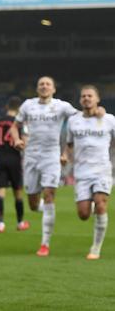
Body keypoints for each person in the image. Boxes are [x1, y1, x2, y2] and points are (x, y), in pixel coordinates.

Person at [9, 76, 79, 256]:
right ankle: (48, 210)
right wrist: (16, 139)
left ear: (54, 89)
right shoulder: (28, 105)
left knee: (49, 195)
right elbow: (14, 127)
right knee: (33, 204)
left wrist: (96, 112)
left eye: (48, 84)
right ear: (37, 88)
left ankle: (44, 244)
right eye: (41, 84)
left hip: (51, 157)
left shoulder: (62, 106)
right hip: (31, 157)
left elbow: (81, 117)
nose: (44, 86)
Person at [63, 85, 114, 260]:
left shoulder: (109, 119)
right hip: (82, 172)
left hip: (102, 170)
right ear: (79, 100)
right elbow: (69, 145)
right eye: (83, 96)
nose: (86, 98)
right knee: (83, 214)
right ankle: (91, 204)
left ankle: (96, 249)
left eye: (90, 96)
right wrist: (65, 156)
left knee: (101, 203)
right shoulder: (73, 121)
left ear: (97, 99)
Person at [0, 96, 30, 233]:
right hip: (14, 159)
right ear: (19, 109)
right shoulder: (19, 123)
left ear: (7, 107)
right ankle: (20, 223)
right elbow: (24, 141)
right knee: (18, 192)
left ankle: (0, 224)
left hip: (0, 158)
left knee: (1, 192)